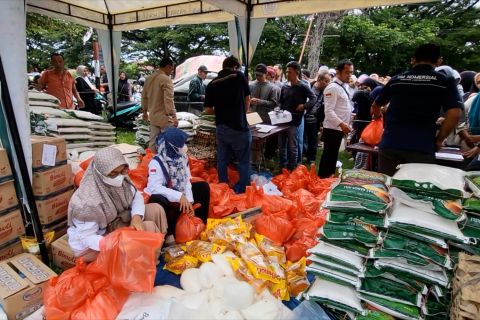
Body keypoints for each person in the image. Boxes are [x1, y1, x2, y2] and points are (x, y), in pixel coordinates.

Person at [371, 43, 463, 176]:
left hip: (390, 144)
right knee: (414, 191)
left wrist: (378, 119)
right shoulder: (444, 81)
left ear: (413, 59)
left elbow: (376, 105)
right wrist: (439, 139)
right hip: (422, 147)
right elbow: (455, 114)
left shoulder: (397, 79)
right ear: (439, 60)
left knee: (387, 188)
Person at [67, 147, 167, 262]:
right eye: (113, 173)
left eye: (121, 171)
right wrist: (118, 242)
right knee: (147, 228)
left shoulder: (121, 178)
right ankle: (147, 264)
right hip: (93, 245)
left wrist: (136, 217)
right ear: (100, 173)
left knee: (156, 209)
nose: (119, 176)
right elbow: (86, 238)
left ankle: (159, 249)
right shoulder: (86, 203)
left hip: (113, 221)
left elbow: (136, 196)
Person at [145, 128, 210, 238]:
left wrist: (189, 201)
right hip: (168, 197)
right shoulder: (156, 162)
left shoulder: (182, 158)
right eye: (182, 144)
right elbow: (154, 187)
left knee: (203, 187)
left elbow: (187, 179)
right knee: (157, 198)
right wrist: (179, 196)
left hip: (181, 195)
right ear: (172, 146)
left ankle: (200, 225)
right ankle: (169, 235)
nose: (184, 147)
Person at [204, 56, 251, 193]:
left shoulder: (212, 83)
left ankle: (223, 186)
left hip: (222, 127)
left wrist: (221, 113)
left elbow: (208, 109)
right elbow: (248, 99)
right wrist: (243, 112)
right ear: (235, 67)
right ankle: (242, 189)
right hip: (239, 127)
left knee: (222, 159)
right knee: (243, 160)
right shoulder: (239, 76)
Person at [318, 59, 354, 178]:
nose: (350, 75)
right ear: (338, 72)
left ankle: (324, 179)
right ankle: (324, 179)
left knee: (331, 157)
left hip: (339, 128)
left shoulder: (344, 86)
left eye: (351, 72)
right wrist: (342, 124)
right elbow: (328, 111)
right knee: (329, 157)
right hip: (333, 128)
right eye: (347, 72)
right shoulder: (332, 87)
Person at [278, 61, 317, 170]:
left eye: (289, 72)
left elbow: (313, 98)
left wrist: (304, 106)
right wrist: (278, 108)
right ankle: (282, 168)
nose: (287, 74)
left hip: (294, 121)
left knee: (292, 146)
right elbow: (281, 101)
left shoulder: (302, 86)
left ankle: (292, 169)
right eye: (286, 72)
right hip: (282, 120)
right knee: (281, 146)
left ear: (297, 72)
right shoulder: (284, 86)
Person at [142, 57, 178, 151]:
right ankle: (167, 163)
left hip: (153, 116)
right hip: (165, 117)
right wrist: (173, 116)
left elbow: (144, 96)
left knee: (153, 142)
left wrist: (144, 112)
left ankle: (151, 162)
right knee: (169, 144)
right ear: (168, 66)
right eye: (172, 68)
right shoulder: (166, 79)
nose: (172, 71)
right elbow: (168, 100)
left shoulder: (149, 78)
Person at [304, 71, 331, 164]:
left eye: (329, 81)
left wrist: (321, 121)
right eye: (326, 81)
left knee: (313, 139)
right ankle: (303, 154)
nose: (328, 84)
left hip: (315, 119)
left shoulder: (325, 92)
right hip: (303, 117)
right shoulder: (309, 87)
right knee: (303, 138)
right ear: (319, 79)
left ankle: (311, 158)